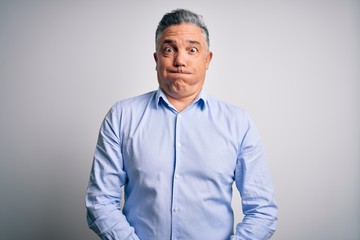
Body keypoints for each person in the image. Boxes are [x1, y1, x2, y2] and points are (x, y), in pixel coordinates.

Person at [86, 8, 278, 240]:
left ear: (207, 59)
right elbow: (100, 202)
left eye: (192, 50)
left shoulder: (238, 122)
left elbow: (262, 210)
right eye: (169, 50)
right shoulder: (121, 116)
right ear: (157, 59)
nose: (180, 60)